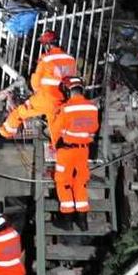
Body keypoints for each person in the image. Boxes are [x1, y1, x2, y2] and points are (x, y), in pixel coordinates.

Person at [0, 30, 77, 141]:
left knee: (19, 113)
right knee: (55, 129)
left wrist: (35, 93)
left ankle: (5, 132)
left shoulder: (46, 59)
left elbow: (35, 82)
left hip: (46, 99)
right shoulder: (70, 59)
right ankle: (59, 150)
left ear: (47, 45)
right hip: (62, 101)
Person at [48, 76, 99, 232]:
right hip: (83, 150)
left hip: (67, 151)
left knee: (64, 183)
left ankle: (67, 221)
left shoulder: (66, 108)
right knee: (80, 182)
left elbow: (55, 131)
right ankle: (83, 222)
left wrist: (54, 145)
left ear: (67, 90)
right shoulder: (93, 107)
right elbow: (94, 128)